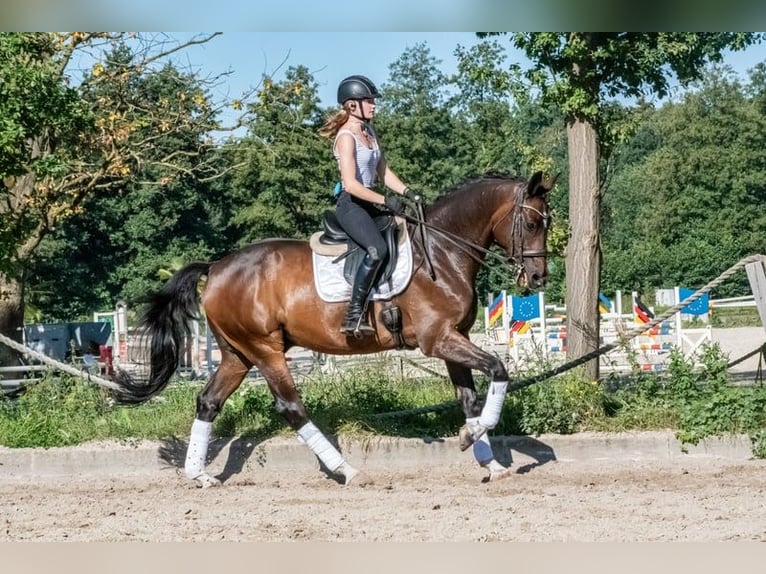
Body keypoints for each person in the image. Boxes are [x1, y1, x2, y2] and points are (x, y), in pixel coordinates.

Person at [319, 74, 420, 337]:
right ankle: (354, 315)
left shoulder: (369, 132)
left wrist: (409, 192)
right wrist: (387, 200)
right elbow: (351, 185)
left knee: (409, 231)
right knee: (376, 250)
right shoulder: (346, 137)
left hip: (370, 201)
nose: (374, 105)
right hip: (351, 205)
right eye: (369, 101)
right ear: (353, 105)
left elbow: (383, 171)